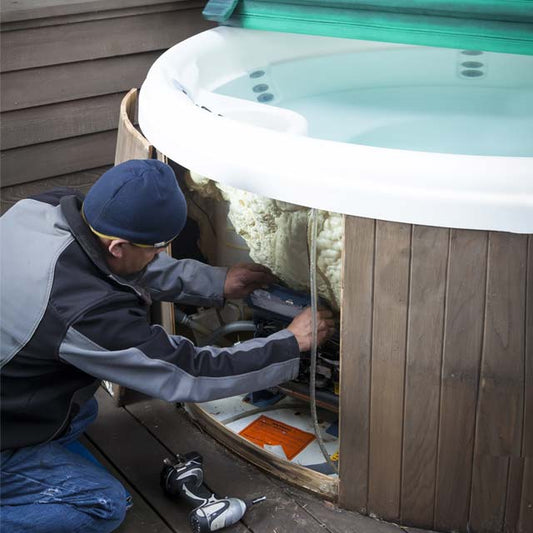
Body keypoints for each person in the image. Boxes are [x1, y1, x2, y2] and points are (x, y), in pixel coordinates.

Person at [0, 159, 334, 532]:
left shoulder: (45, 210)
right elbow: (188, 372)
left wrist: (215, 282)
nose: (159, 256)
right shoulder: (81, 310)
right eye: (156, 250)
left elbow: (113, 267)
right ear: (119, 246)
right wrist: (289, 344)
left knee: (81, 412)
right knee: (101, 506)